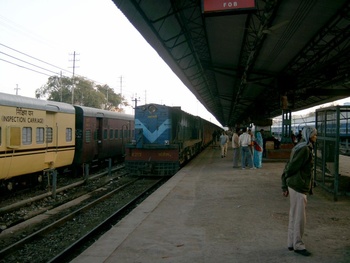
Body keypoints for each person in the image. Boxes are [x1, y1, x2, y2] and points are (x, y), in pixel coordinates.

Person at [281, 126, 317, 257]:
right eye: (314, 135)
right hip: (298, 186)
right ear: (309, 135)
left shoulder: (300, 146)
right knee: (299, 218)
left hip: (295, 185)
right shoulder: (304, 149)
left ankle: (291, 242)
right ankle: (298, 245)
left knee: (293, 215)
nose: (315, 137)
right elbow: (291, 167)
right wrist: (284, 183)